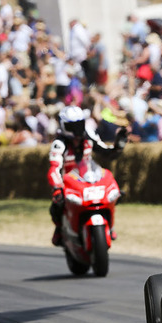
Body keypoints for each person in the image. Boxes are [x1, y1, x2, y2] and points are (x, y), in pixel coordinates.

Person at [47, 105, 125, 246]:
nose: (77, 130)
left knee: (114, 194)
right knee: (56, 206)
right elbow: (54, 168)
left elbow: (104, 151)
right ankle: (59, 229)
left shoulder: (89, 135)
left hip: (89, 178)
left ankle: (110, 226)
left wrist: (117, 148)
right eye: (73, 126)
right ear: (64, 126)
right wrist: (57, 187)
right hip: (69, 182)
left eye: (79, 125)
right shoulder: (59, 143)